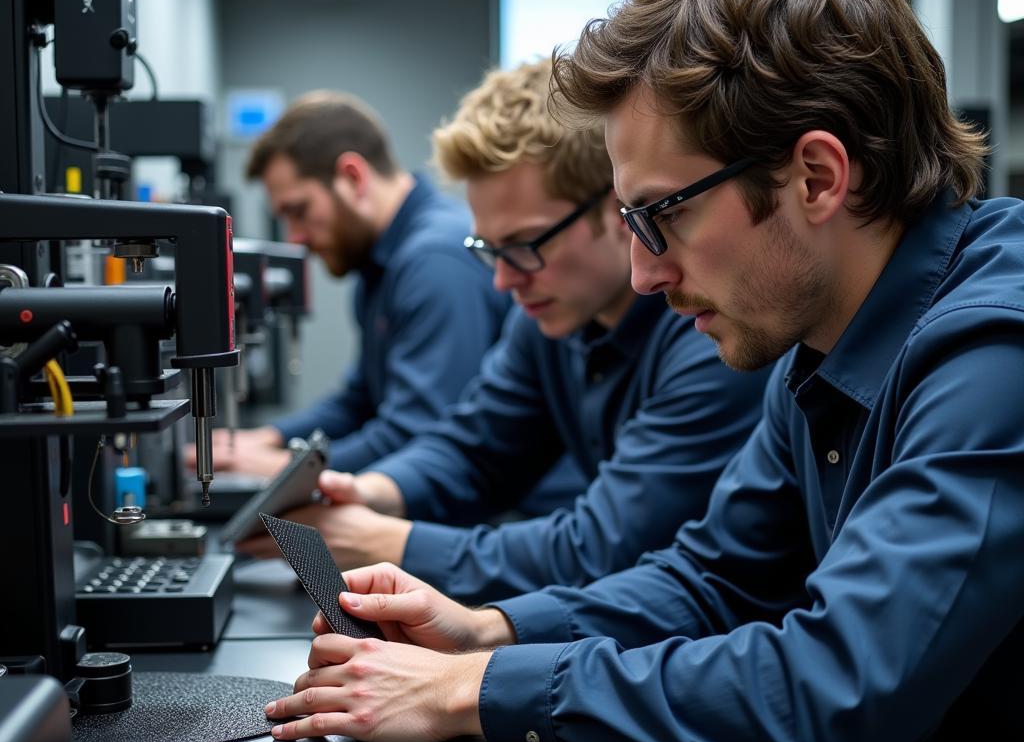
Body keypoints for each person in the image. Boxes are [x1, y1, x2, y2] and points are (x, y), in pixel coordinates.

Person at [263, 0, 1024, 742]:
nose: (644, 272)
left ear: (816, 177)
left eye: (661, 215)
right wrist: (483, 629)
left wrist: (468, 692)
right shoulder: (820, 342)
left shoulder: (992, 353)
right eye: (629, 222)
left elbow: (830, 689)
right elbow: (710, 577)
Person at [239, 61, 767, 602]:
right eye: (488, 248)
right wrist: (373, 491)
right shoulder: (547, 319)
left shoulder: (710, 334)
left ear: (617, 209)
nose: (502, 279)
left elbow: (605, 547)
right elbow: (475, 448)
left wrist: (391, 542)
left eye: (525, 244)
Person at [186, 91, 509, 476]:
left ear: (352, 177)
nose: (295, 238)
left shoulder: (434, 262)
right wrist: (267, 438)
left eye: (299, 210)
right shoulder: (380, 264)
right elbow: (359, 402)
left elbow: (416, 435)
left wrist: (278, 467)